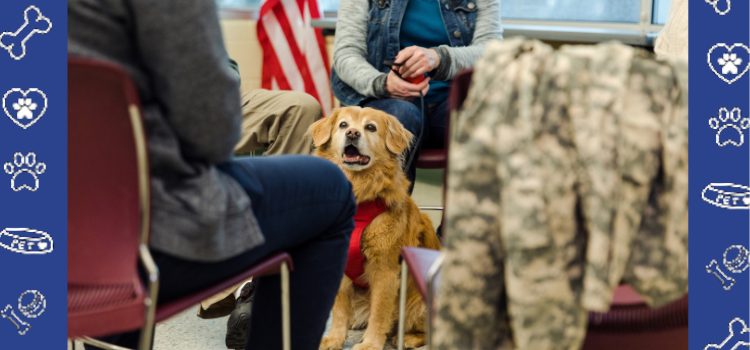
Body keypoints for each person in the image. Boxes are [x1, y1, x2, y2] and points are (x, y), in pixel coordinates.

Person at [68, 1, 356, 349]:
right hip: (145, 237)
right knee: (331, 191)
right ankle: (244, 284)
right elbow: (212, 134)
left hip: (40, 238)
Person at [331, 0, 503, 187]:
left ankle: (466, 214)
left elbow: (490, 51)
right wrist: (382, 83)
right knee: (400, 117)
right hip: (384, 99)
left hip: (450, 101)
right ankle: (386, 214)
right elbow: (346, 54)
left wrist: (439, 58)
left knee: (488, 117)